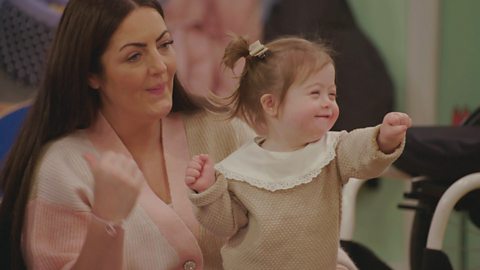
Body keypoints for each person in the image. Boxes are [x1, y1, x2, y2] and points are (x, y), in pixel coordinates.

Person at [0, 0, 254, 269]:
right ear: (92, 75)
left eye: (164, 44)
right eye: (134, 56)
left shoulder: (225, 130)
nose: (159, 66)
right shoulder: (60, 169)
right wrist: (106, 219)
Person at [184, 36, 412, 269]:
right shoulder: (241, 168)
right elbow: (225, 224)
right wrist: (208, 190)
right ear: (270, 104)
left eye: (332, 94)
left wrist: (383, 139)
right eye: (315, 93)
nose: (327, 102)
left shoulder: (332, 150)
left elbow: (361, 153)